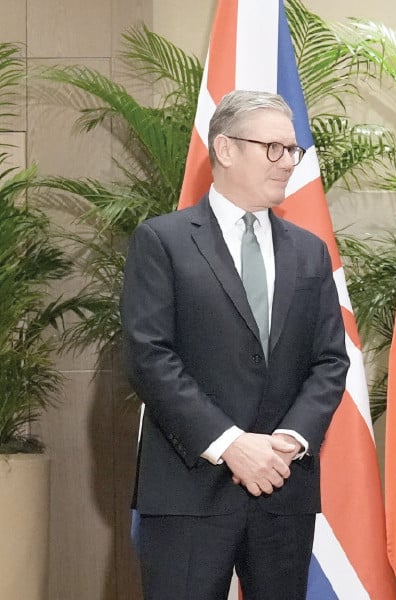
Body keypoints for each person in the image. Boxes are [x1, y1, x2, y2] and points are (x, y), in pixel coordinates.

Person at [120, 90, 349, 600]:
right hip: (188, 490)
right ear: (224, 149)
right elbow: (149, 356)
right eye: (273, 148)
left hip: (282, 487)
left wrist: (289, 441)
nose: (288, 162)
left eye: (293, 150)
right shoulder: (163, 240)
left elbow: (330, 360)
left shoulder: (310, 252)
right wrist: (231, 444)